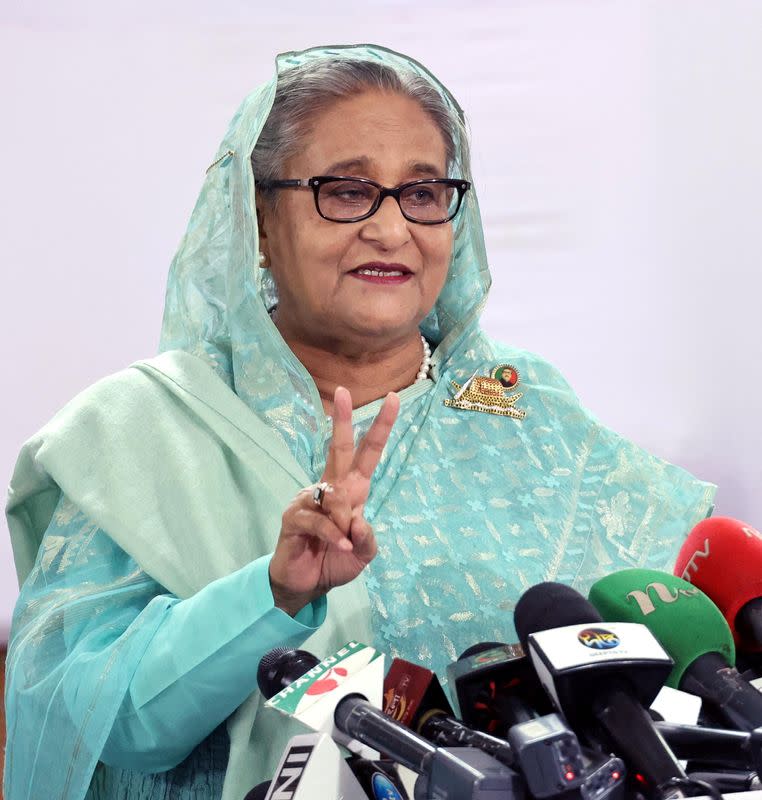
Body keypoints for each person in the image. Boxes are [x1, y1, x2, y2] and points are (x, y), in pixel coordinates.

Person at [3, 44, 715, 799]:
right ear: (259, 223)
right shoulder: (141, 430)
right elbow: (92, 721)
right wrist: (270, 596)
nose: (390, 228)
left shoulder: (527, 410)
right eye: (345, 191)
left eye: (423, 191)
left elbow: (654, 660)